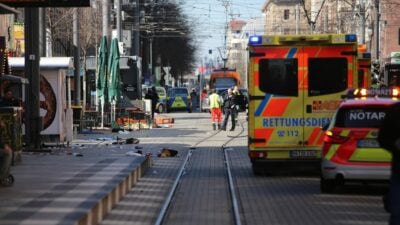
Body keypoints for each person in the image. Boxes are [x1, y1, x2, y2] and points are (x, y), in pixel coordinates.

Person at [378, 101, 400, 225]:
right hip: (399, 172)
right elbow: (383, 138)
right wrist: (395, 144)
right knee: (397, 215)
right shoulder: (395, 112)